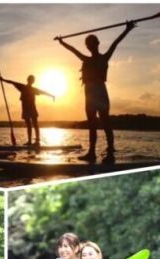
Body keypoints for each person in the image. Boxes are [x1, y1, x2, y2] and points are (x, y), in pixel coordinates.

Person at [56, 22, 136, 163]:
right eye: (88, 44)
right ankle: (92, 152)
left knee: (105, 123)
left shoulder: (103, 57)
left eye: (90, 43)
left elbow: (116, 42)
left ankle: (109, 152)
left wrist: (127, 29)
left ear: (96, 44)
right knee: (93, 124)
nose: (89, 46)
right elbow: (73, 50)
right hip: (91, 93)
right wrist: (62, 42)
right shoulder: (88, 59)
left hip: (98, 91)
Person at [0, 75, 55, 146]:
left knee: (35, 124)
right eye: (30, 80)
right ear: (28, 80)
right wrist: (3, 80)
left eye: (32, 80)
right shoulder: (22, 87)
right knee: (29, 125)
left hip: (32, 108)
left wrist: (52, 95)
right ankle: (30, 141)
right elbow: (12, 82)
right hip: (26, 108)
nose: (31, 81)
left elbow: (43, 92)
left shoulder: (33, 89)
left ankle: (37, 141)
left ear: (33, 81)